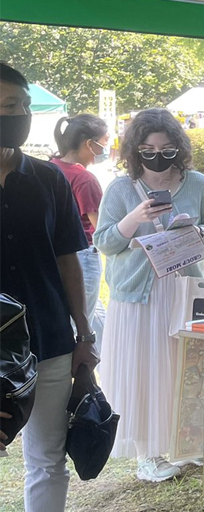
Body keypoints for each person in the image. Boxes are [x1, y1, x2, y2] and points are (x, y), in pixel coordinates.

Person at [0, 59, 97, 512]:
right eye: (1, 108)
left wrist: (84, 331)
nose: (10, 117)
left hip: (49, 338)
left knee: (46, 457)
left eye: (16, 108)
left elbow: (68, 259)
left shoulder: (49, 179)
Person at [95, 109, 204, 484]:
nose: (158, 154)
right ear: (136, 150)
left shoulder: (196, 183)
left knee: (187, 366)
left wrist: (197, 231)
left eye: (166, 148)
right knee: (144, 370)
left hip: (185, 287)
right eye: (148, 148)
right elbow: (104, 241)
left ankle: (189, 442)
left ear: (178, 148)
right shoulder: (120, 189)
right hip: (139, 294)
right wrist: (134, 218)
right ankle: (147, 453)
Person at [51, 109, 110, 347]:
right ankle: (86, 372)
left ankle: (105, 364)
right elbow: (102, 228)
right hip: (83, 254)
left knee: (96, 315)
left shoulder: (50, 168)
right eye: (104, 143)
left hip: (57, 254)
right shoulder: (85, 179)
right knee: (81, 320)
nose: (104, 150)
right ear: (89, 144)